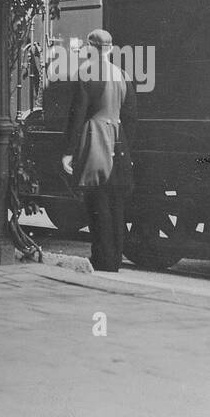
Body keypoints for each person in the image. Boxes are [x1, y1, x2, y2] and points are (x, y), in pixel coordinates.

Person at [62, 29, 137, 273]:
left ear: (91, 48)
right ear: (111, 49)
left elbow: (77, 115)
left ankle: (102, 258)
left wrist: (68, 151)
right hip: (119, 140)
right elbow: (131, 116)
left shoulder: (86, 73)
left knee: (97, 201)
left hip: (95, 138)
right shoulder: (123, 75)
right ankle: (115, 259)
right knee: (116, 204)